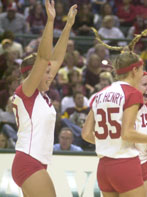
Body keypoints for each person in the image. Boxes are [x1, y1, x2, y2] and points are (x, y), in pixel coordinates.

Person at [82, 29, 147, 197]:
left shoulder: (99, 95)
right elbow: (127, 133)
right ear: (134, 70)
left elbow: (86, 134)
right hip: (125, 164)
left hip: (103, 167)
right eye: (141, 70)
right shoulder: (132, 93)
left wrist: (108, 142)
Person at [10, 1, 77, 196]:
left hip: (36, 162)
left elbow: (55, 59)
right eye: (46, 72)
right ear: (34, 73)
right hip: (29, 161)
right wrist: (50, 21)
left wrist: (68, 26)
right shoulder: (26, 91)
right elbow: (43, 58)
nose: (51, 74)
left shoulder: (39, 94)